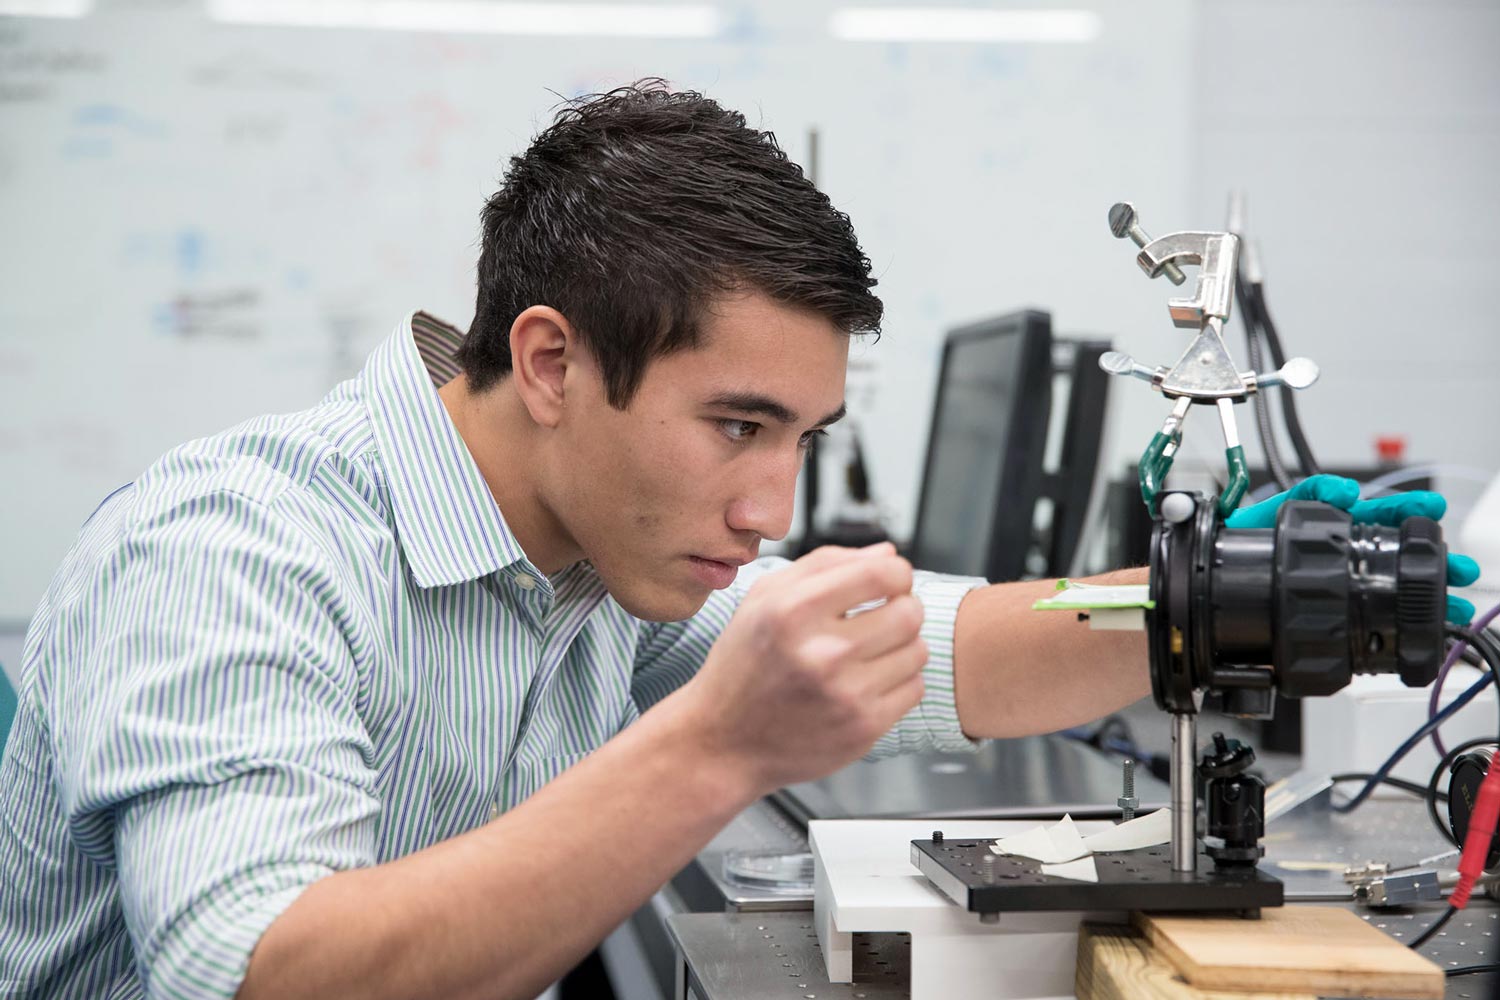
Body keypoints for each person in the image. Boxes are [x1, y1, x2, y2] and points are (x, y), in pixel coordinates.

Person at [0, 82, 1475, 1000]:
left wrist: (1201, 604)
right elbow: (260, 979)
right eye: (737, 426)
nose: (771, 508)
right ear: (555, 362)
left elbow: (925, 651)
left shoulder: (593, 556)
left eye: (802, 442)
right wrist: (715, 747)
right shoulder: (237, 549)